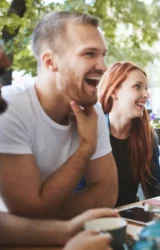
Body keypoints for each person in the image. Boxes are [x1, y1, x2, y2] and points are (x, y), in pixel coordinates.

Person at [0, 11, 118, 219]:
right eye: (89, 54)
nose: (103, 66)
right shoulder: (9, 109)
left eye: (103, 54)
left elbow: (107, 192)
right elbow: (29, 211)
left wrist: (42, 213)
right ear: (49, 62)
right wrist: (85, 149)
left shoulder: (91, 110)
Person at [77, 61, 160, 206]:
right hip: (90, 220)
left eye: (146, 88)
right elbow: (76, 193)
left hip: (128, 219)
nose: (147, 94)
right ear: (114, 91)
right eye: (137, 86)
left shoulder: (147, 138)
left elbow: (153, 186)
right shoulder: (89, 133)